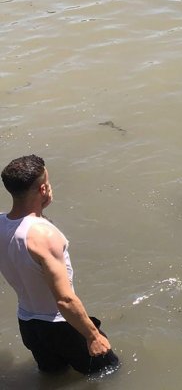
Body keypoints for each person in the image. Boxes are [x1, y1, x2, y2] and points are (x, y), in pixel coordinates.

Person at [0, 155, 119, 375]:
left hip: (28, 325)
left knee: (53, 378)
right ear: (43, 189)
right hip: (61, 325)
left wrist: (39, 211)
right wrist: (93, 336)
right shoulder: (45, 235)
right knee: (110, 373)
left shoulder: (1, 224)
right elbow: (64, 300)